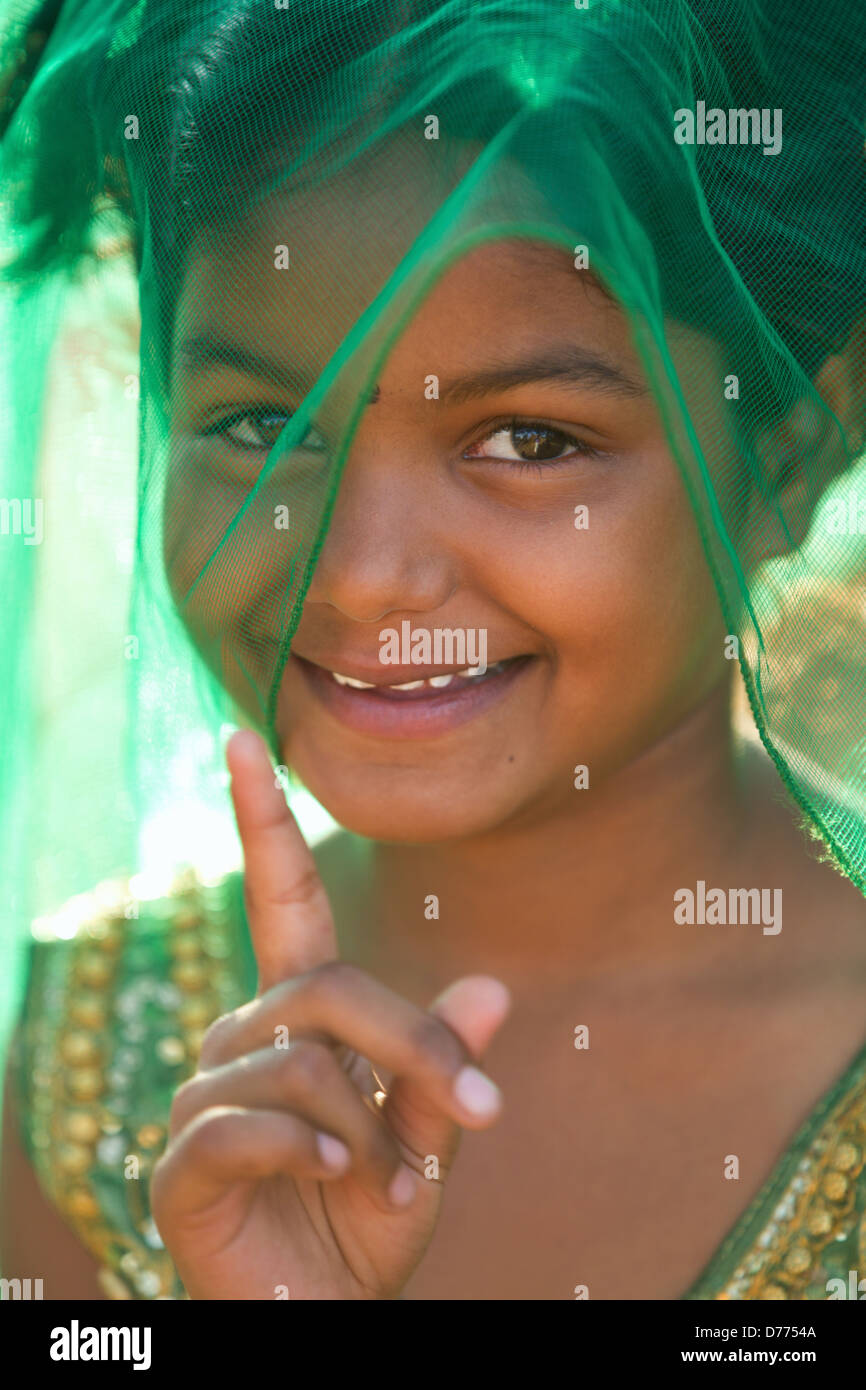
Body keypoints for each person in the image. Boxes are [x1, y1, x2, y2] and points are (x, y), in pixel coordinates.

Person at [2, 0, 866, 1301]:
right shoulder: (90, 1059)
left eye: (527, 440)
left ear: (785, 451)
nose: (357, 572)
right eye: (259, 423)